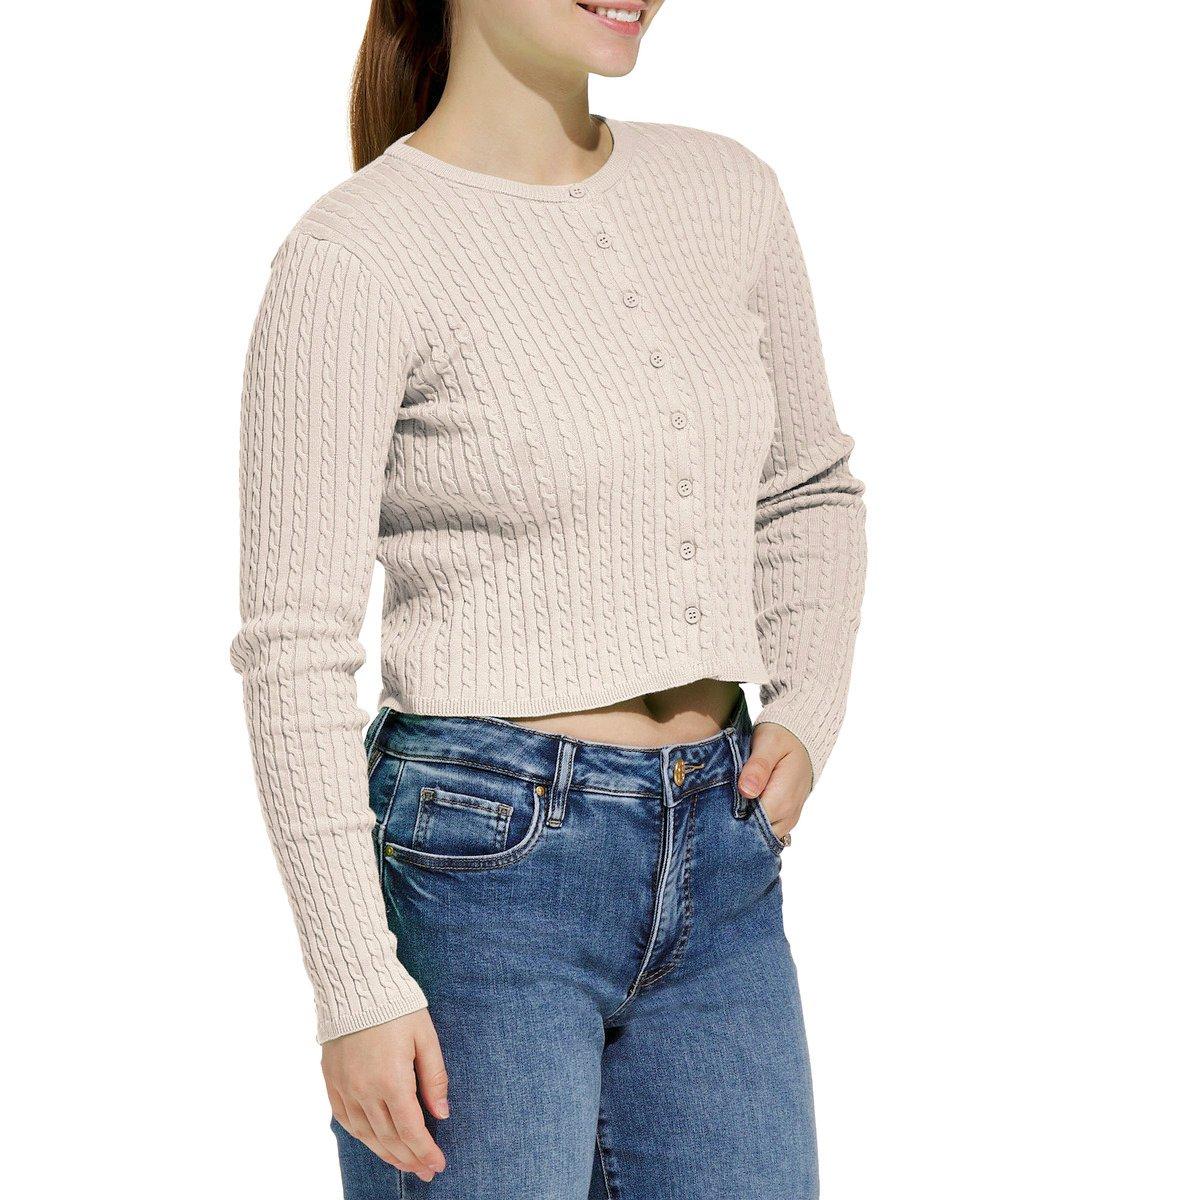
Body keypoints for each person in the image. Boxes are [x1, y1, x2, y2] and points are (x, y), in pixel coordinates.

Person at [231, 1, 866, 1195]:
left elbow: (806, 488)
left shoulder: (727, 192)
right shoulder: (356, 253)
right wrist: (356, 983)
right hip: (482, 875)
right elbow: (295, 648)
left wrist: (807, 705)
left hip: (723, 858)